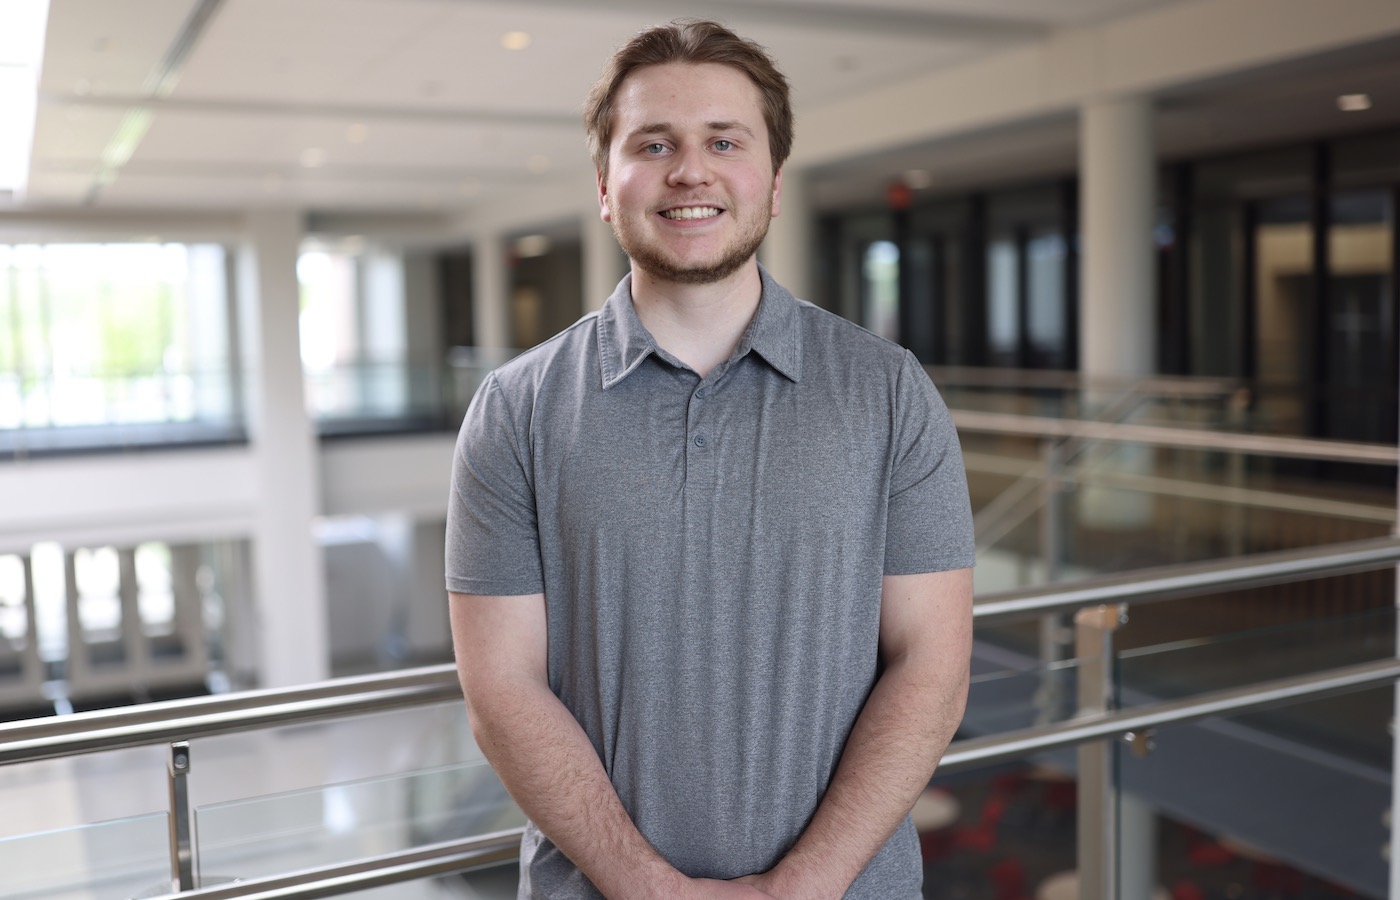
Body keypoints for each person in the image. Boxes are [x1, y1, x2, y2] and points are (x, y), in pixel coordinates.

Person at [447, 19, 975, 900]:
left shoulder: (890, 392)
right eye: (654, 144)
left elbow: (933, 665)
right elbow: (501, 691)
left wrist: (800, 886)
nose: (689, 170)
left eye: (723, 141)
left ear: (771, 183)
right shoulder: (515, 410)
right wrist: (649, 888)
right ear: (607, 190)